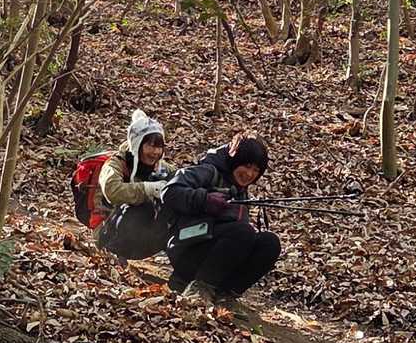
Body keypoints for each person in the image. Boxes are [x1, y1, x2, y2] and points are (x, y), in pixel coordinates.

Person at [161, 132, 281, 303]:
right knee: (243, 232)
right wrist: (205, 200)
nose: (250, 174)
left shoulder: (240, 189)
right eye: (247, 166)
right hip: (186, 250)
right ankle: (198, 290)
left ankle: (225, 296)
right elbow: (169, 191)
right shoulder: (208, 171)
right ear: (235, 160)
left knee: (269, 242)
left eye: (256, 170)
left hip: (215, 255)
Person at [96, 110, 175, 262]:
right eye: (150, 146)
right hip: (109, 231)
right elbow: (112, 191)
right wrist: (148, 189)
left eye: (159, 147)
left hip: (143, 234)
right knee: (141, 208)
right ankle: (115, 257)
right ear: (137, 144)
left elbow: (181, 178)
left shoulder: (162, 168)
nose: (155, 152)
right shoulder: (115, 164)